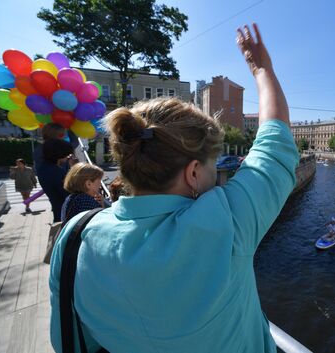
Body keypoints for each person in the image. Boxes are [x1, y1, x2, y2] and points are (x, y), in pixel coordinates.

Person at [49, 23, 298, 353]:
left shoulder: (74, 238)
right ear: (193, 173)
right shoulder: (227, 223)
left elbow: (67, 340)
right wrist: (261, 68)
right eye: (212, 166)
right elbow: (275, 143)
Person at [38, 139, 74, 222]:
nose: (68, 156)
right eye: (67, 154)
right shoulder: (57, 171)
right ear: (60, 153)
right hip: (66, 214)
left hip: (56, 209)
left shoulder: (43, 167)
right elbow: (70, 192)